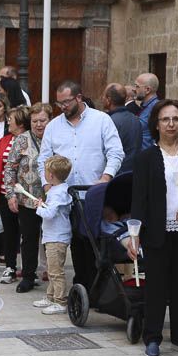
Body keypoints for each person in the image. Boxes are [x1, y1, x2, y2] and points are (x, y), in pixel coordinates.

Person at [127, 100, 178, 356]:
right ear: (156, 124)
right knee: (156, 286)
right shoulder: (146, 157)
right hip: (156, 231)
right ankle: (153, 337)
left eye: (176, 119)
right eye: (165, 120)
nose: (171, 124)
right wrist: (134, 236)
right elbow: (138, 199)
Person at [37, 81, 124, 289]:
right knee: (75, 243)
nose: (62, 107)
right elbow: (43, 159)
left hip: (93, 195)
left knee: (94, 242)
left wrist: (105, 177)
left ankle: (99, 288)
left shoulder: (101, 120)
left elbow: (115, 152)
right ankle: (82, 286)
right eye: (59, 104)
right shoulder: (53, 127)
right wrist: (47, 186)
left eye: (66, 102)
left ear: (78, 98)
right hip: (65, 197)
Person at [4, 103, 50, 295]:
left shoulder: (55, 138)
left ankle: (53, 274)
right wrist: (11, 194)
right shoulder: (21, 140)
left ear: (50, 120)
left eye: (43, 120)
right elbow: (10, 168)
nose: (39, 125)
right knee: (29, 238)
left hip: (51, 199)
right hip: (27, 198)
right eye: (35, 121)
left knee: (51, 239)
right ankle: (28, 276)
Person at [34, 155, 73, 314]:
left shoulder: (57, 193)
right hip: (54, 236)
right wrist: (44, 204)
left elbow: (49, 214)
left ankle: (60, 302)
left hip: (56, 238)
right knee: (52, 269)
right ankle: (50, 297)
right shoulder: (60, 189)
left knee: (56, 272)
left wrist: (39, 207)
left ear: (50, 175)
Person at [0, 105, 22, 284]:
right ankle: (10, 266)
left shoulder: (28, 140)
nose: (9, 121)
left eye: (12, 119)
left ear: (21, 122)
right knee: (8, 232)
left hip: (25, 195)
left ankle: (30, 270)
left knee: (27, 233)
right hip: (3, 193)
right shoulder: (4, 140)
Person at [103, 84, 143, 174]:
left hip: (116, 175)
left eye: (103, 96)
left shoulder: (109, 121)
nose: (102, 99)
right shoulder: (135, 118)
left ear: (108, 100)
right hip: (133, 173)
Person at [131, 73, 161, 149]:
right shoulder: (144, 106)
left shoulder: (156, 108)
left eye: (137, 86)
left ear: (147, 90)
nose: (134, 89)